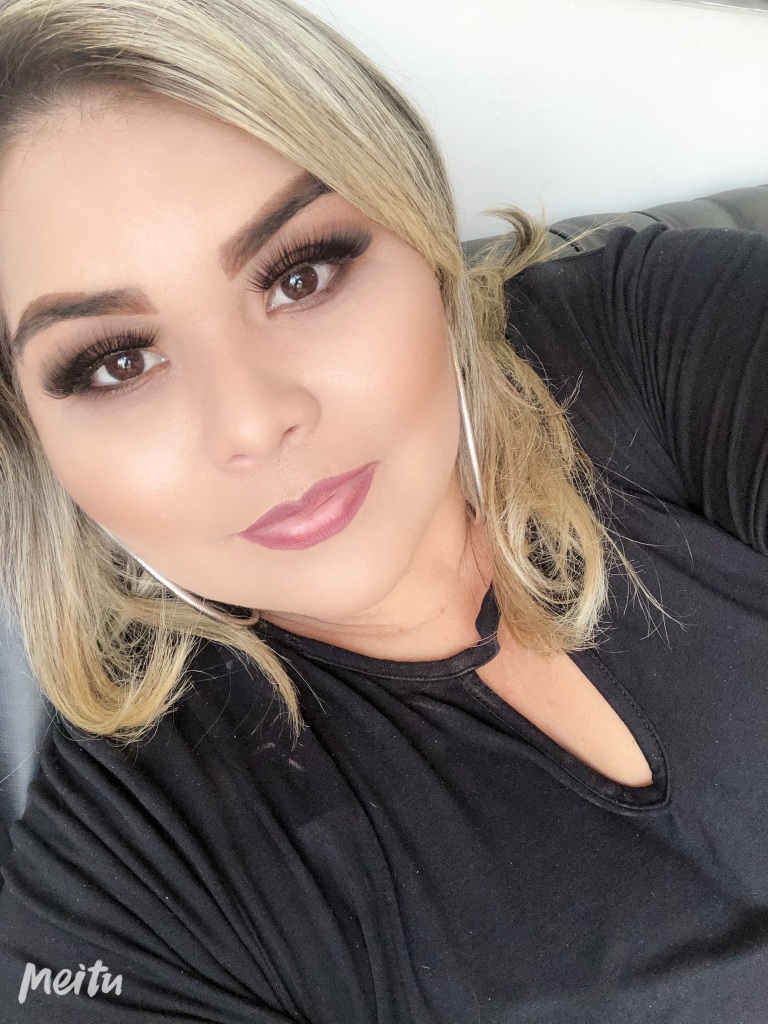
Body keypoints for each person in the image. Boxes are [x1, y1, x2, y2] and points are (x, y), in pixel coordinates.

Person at [0, 0, 766, 1020]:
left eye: (300, 274)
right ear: (32, 436)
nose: (254, 420)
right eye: (116, 362)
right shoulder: (127, 878)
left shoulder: (660, 338)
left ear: (424, 244)